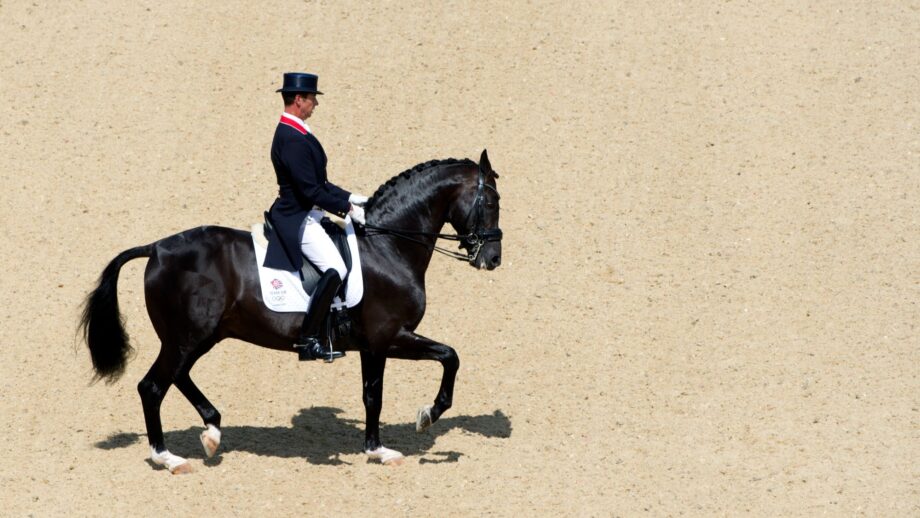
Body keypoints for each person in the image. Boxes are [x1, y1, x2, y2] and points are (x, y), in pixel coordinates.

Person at [263, 72, 368, 361]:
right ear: (299, 99)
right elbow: (310, 191)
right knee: (337, 268)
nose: (315, 104)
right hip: (298, 218)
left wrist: (352, 197)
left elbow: (320, 183)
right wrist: (347, 210)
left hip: (309, 213)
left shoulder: (297, 132)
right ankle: (308, 339)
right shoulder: (291, 138)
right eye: (312, 99)